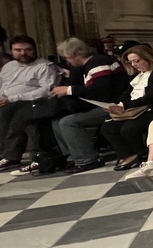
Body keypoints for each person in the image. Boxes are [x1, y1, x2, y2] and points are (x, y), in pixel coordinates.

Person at [48, 37, 129, 174]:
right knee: (56, 120)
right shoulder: (85, 66)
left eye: (68, 57)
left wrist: (68, 90)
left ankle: (87, 159)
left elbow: (101, 91)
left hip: (113, 106)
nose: (68, 61)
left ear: (77, 54)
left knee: (68, 122)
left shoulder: (99, 62)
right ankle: (72, 157)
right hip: (99, 104)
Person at [100, 45, 153, 171]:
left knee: (129, 129)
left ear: (148, 58)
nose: (134, 64)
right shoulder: (138, 77)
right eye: (131, 62)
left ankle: (146, 156)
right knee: (108, 127)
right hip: (136, 110)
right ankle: (130, 156)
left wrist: (125, 105)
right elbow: (127, 95)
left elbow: (152, 97)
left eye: (137, 61)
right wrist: (113, 105)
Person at [0, 36, 61, 172]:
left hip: (35, 101)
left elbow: (46, 90)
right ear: (11, 50)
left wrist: (14, 98)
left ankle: (11, 155)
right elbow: (2, 85)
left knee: (10, 113)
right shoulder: (9, 66)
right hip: (8, 100)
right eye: (18, 50)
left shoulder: (44, 66)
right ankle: (7, 154)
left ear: (35, 50)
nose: (23, 53)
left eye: (27, 50)